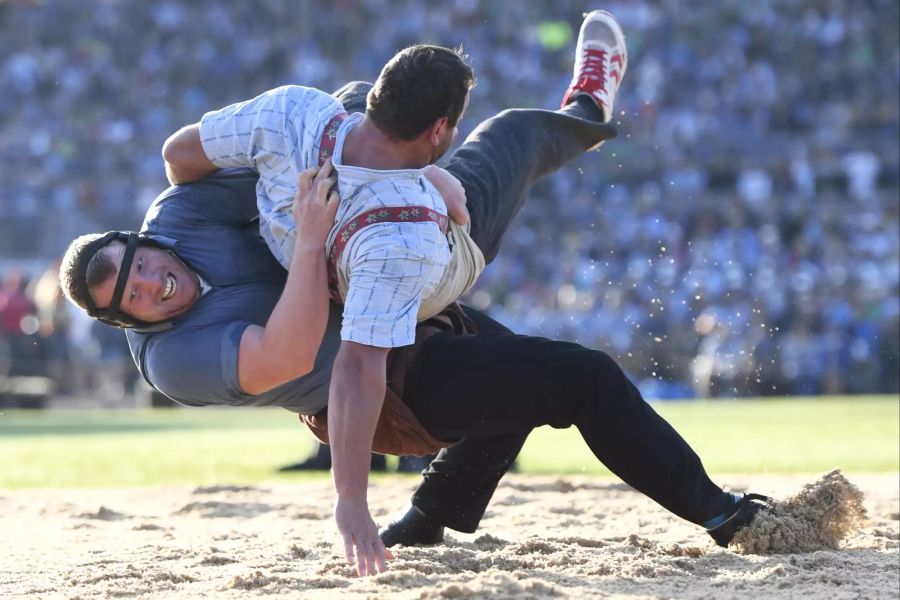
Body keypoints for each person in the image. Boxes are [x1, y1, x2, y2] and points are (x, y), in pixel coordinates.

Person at [58, 11, 769, 577]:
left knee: (511, 179)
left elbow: (184, 155)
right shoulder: (174, 360)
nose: (151, 281)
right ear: (123, 320)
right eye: (134, 295)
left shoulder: (195, 204)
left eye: (139, 262)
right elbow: (314, 356)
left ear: (141, 238)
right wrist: (350, 504)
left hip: (393, 273)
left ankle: (428, 518)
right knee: (578, 378)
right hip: (383, 386)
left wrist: (407, 175)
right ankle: (726, 517)